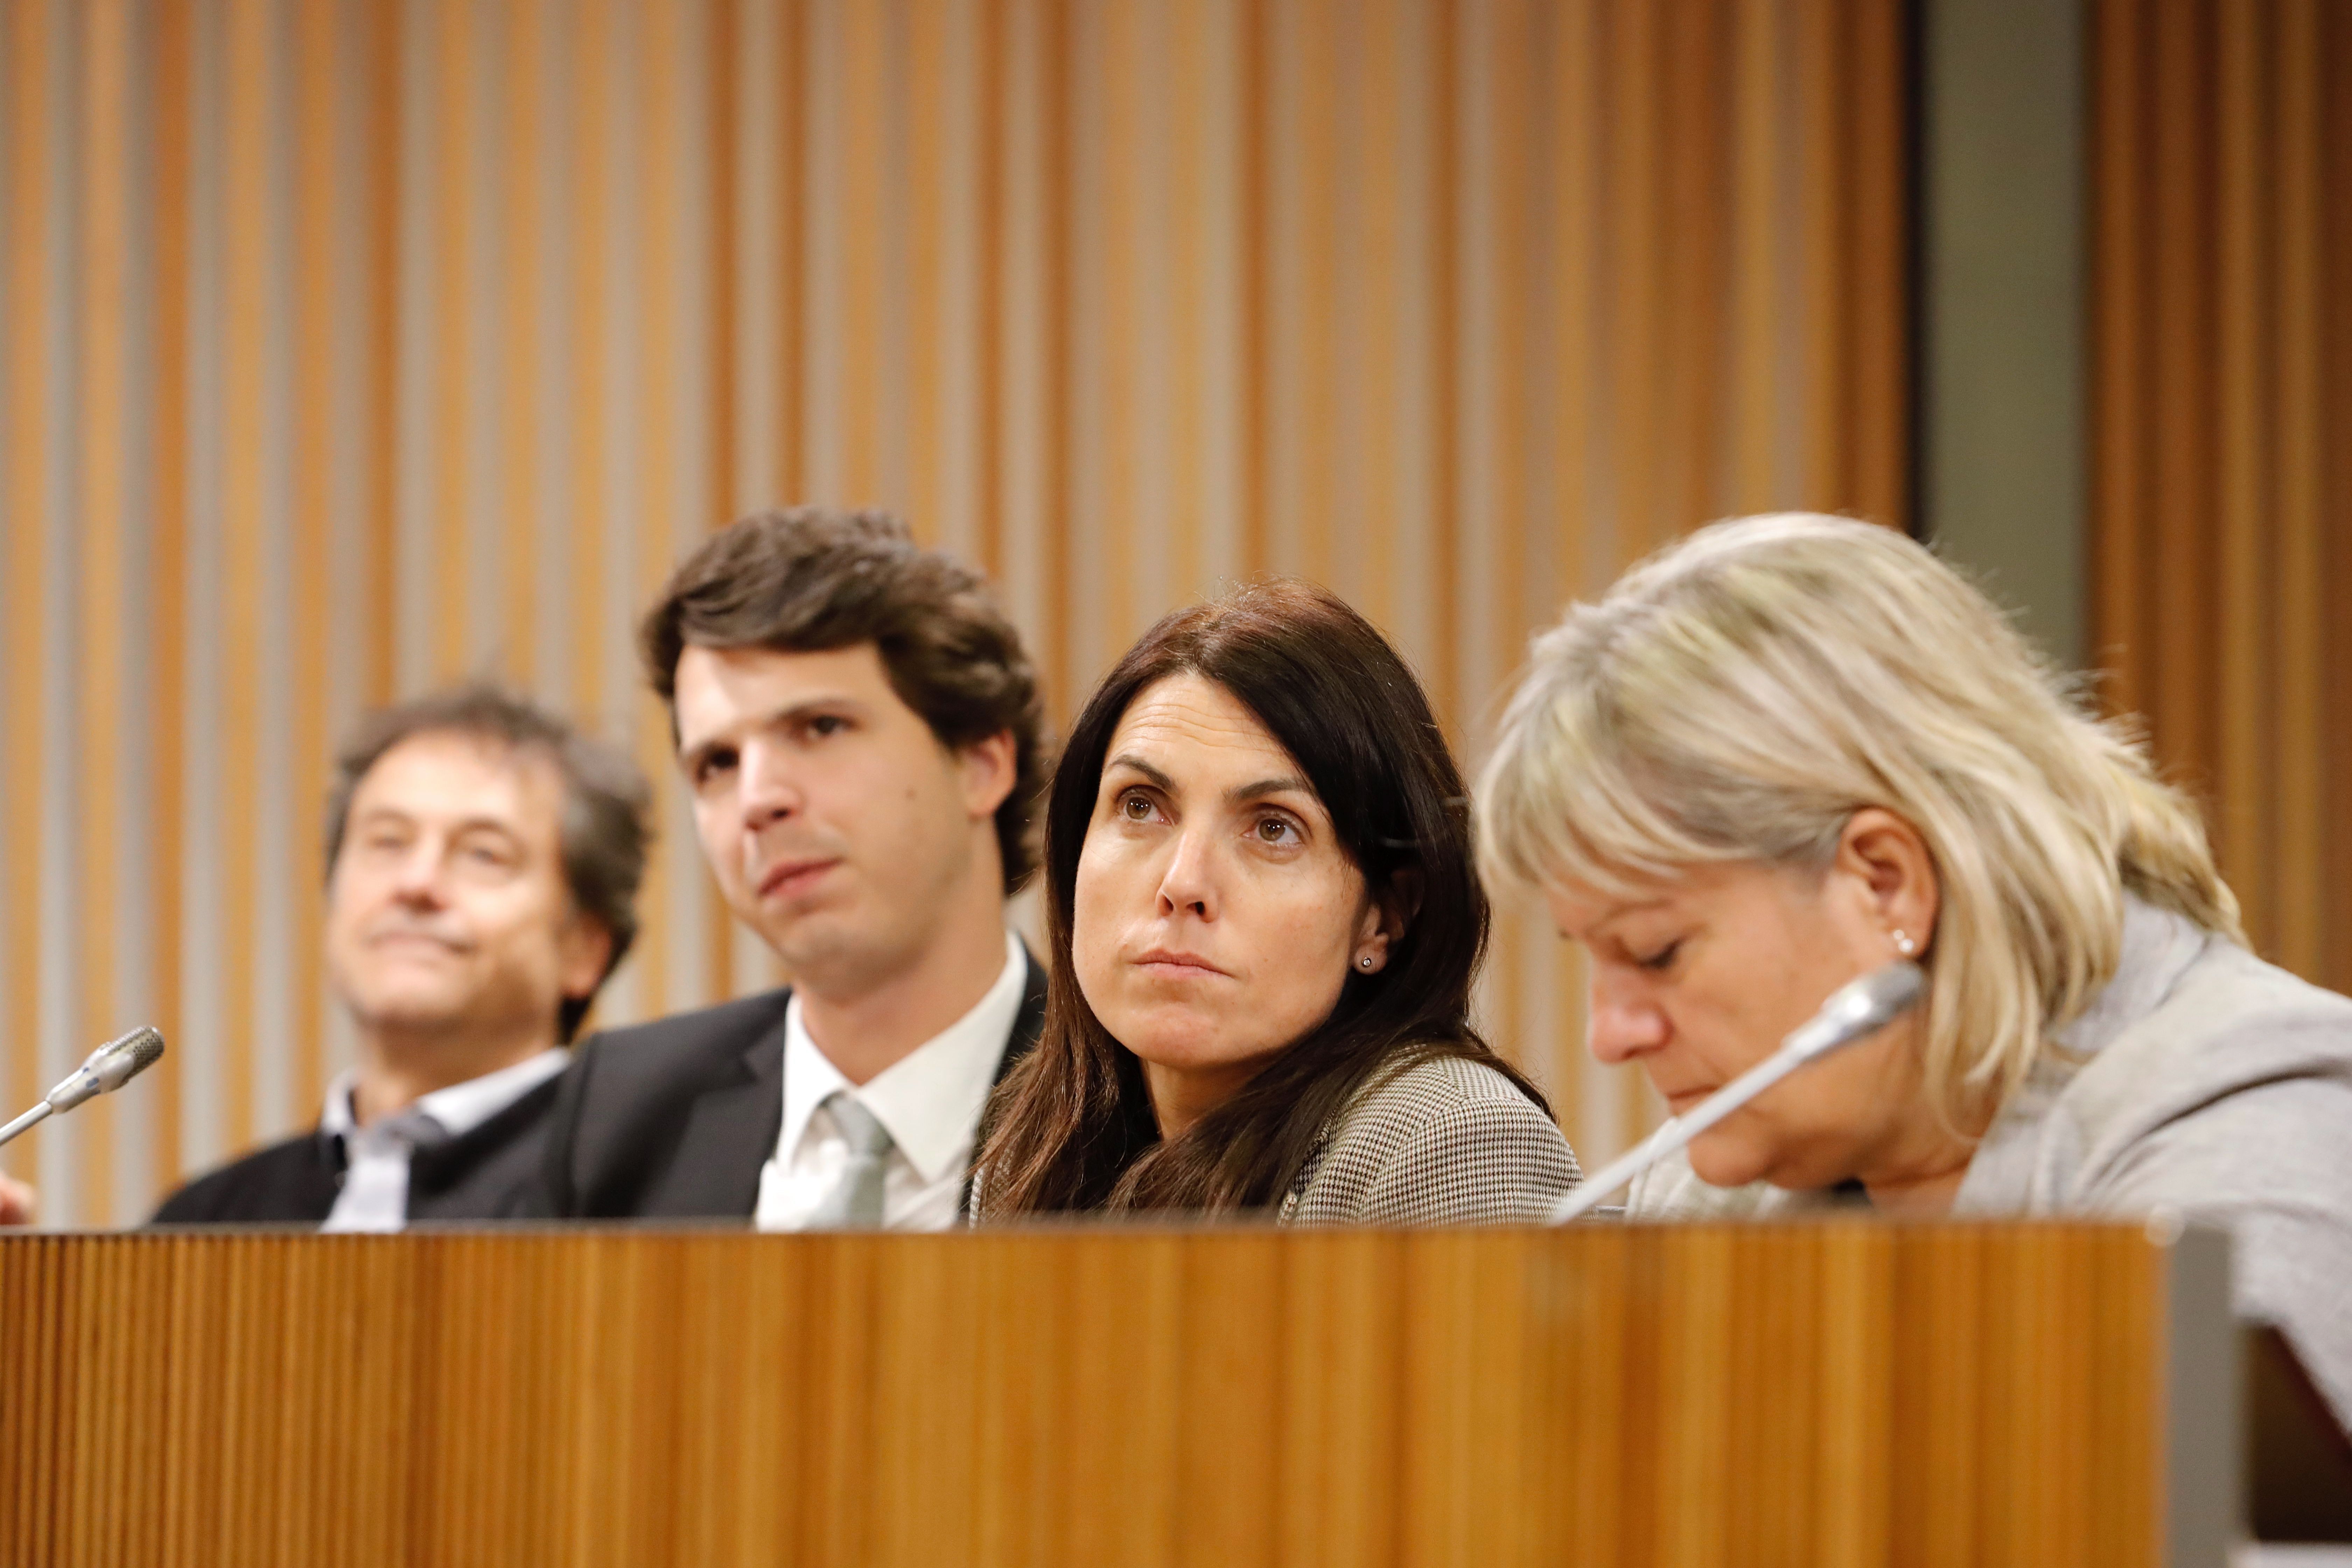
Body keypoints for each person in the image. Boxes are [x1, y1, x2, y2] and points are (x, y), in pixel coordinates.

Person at [1478, 511, 2352, 1427]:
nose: (1611, 1035)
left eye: (1657, 952)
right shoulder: (1714, 1192)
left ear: (1885, 883)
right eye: (1594, 961)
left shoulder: (2256, 1122)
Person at [975, 579, 1578, 1223]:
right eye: (1142, 806)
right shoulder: (1032, 1152)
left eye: (1273, 828)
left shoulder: (1450, 1142)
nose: (1182, 884)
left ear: (1386, 915)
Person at [536, 509, 1049, 1227]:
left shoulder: (1139, 1101)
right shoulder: (620, 1113)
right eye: (718, 763)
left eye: (820, 727)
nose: (758, 800)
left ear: (978, 764)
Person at [152, 686, 651, 1228]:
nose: (416, 884)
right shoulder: (204, 1225)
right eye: (388, 841)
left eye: (483, 853)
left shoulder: (642, 1202)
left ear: (585, 950)